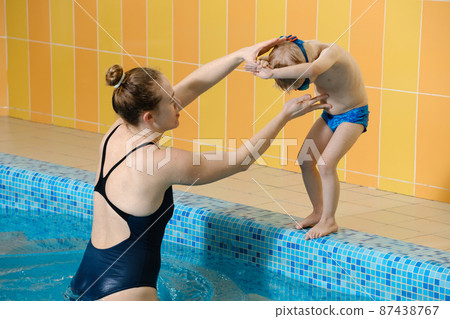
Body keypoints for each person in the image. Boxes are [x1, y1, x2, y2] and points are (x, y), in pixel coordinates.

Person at [66, 37, 331, 301]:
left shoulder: (117, 132)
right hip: (126, 292)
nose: (178, 103)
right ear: (149, 117)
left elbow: (193, 85)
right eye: (171, 101)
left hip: (85, 278)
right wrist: (284, 115)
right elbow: (241, 160)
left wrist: (240, 54)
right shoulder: (160, 163)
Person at [245, 35, 369, 240]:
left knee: (326, 164)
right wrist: (262, 63)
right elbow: (282, 61)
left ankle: (329, 220)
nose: (296, 89)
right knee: (305, 158)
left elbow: (312, 71)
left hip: (353, 114)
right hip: (330, 115)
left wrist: (272, 73)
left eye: (300, 84)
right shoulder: (298, 53)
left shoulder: (331, 53)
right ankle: (318, 211)